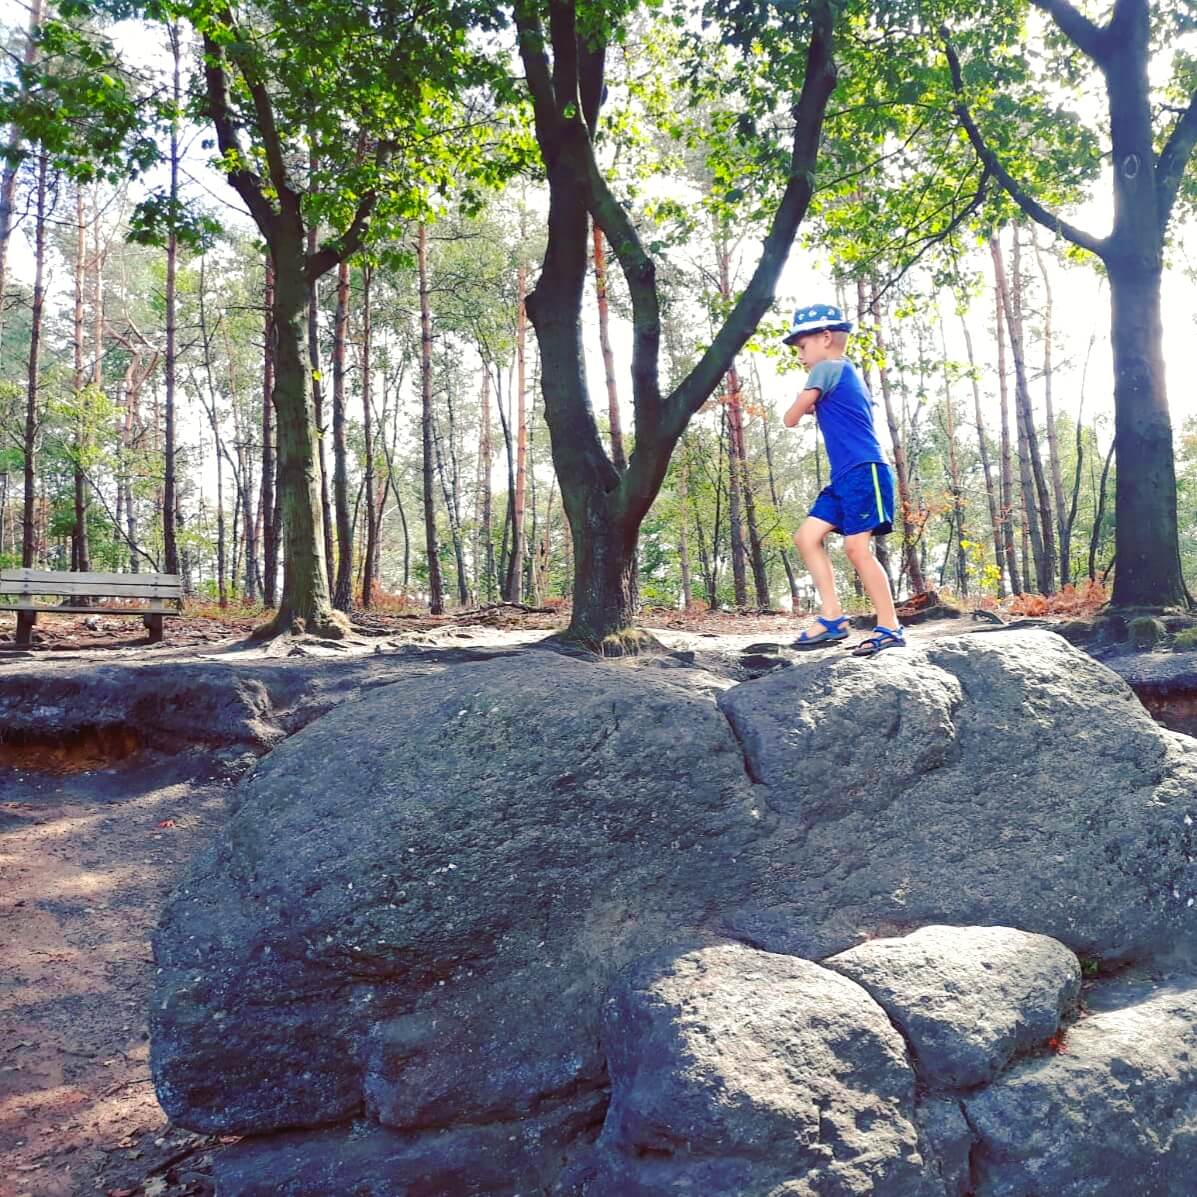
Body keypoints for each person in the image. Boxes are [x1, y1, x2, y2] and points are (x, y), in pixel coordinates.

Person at [781, 302, 905, 656]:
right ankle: (833, 617)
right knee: (807, 537)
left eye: (803, 347)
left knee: (855, 548)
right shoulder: (843, 373)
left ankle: (890, 627)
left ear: (825, 338)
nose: (801, 356)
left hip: (864, 471)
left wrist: (801, 407)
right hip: (845, 477)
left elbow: (790, 417)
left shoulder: (828, 368)